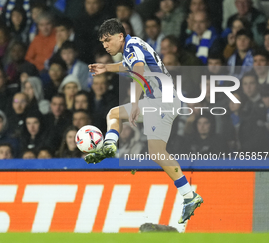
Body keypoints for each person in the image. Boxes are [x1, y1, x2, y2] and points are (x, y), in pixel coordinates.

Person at [86, 18, 203, 224]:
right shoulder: (134, 45)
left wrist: (134, 102)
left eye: (108, 39)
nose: (105, 45)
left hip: (159, 100)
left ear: (120, 36)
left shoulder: (131, 47)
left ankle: (110, 146)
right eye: (102, 42)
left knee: (115, 116)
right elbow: (129, 65)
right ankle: (189, 195)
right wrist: (107, 68)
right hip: (166, 100)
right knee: (155, 151)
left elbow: (138, 70)